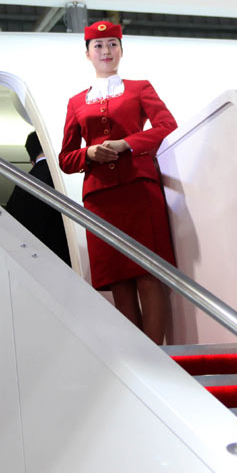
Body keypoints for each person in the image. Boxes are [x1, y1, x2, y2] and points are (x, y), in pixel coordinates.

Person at [58, 21, 177, 344]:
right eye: (98, 46)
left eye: (112, 44)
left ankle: (156, 356)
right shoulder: (76, 102)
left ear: (121, 50)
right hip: (100, 198)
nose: (106, 51)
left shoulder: (140, 88)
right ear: (87, 54)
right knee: (119, 281)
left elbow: (166, 125)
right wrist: (89, 153)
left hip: (139, 191)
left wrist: (128, 143)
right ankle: (136, 356)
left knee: (149, 273)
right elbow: (66, 158)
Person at [6, 131, 72, 266]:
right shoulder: (66, 178)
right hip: (64, 259)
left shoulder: (22, 184)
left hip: (30, 260)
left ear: (31, 160)